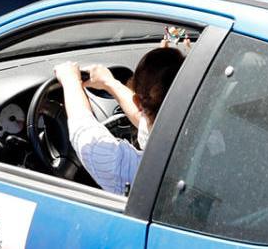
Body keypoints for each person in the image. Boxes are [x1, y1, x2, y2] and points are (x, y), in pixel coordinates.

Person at [53, 46, 184, 195]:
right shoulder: (198, 130)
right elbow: (147, 122)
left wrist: (70, 81)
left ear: (138, 101)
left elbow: (85, 135)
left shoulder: (136, 173)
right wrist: (109, 82)